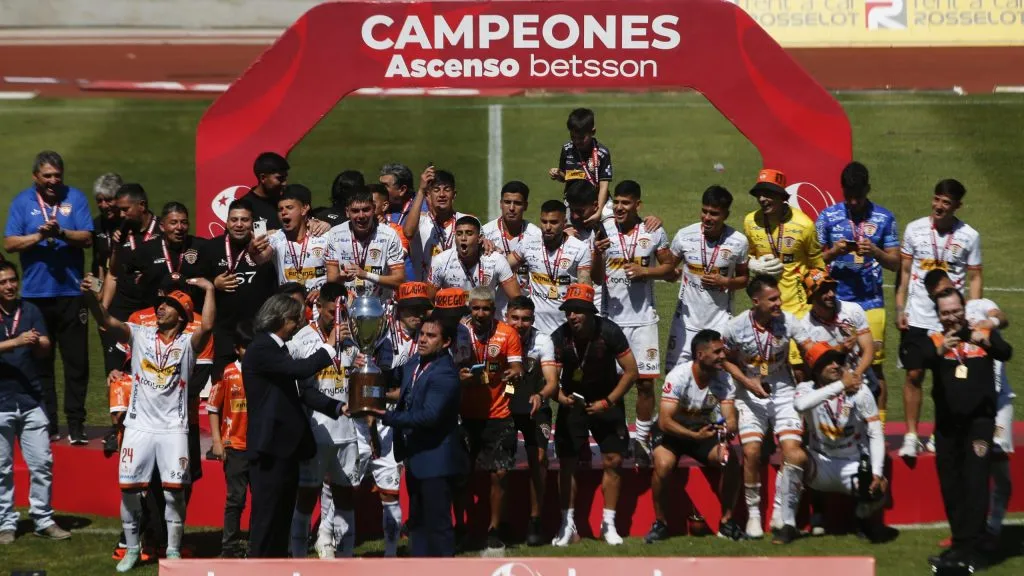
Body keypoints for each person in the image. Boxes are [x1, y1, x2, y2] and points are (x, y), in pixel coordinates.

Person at [81, 271, 215, 572]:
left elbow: (207, 325)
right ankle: (131, 549)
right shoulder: (139, 334)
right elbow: (105, 321)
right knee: (129, 490)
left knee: (173, 492)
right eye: (161, 303)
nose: (160, 308)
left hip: (173, 430)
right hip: (138, 427)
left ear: (180, 317)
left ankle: (173, 549)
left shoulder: (188, 344)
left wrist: (209, 291)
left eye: (168, 305)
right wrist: (90, 296)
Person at [241, 294, 349, 558]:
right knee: (267, 519)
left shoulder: (277, 349)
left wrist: (338, 407)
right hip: (270, 449)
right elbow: (301, 371)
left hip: (285, 448)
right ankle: (259, 569)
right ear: (282, 319)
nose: (299, 325)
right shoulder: (262, 347)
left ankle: (276, 566)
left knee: (281, 517)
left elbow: (300, 391)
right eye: (296, 320)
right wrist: (330, 345)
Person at [3, 150, 94, 444]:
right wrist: (40, 237)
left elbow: (88, 237)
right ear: (36, 177)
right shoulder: (22, 202)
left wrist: (62, 233)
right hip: (35, 296)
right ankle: (49, 423)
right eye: (47, 176)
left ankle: (77, 424)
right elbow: (10, 243)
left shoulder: (75, 198)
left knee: (76, 362)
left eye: (57, 175)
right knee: (41, 361)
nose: (53, 181)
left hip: (71, 293)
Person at [925, 269, 1014, 546]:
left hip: (995, 405)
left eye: (954, 309)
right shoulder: (936, 337)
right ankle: (965, 534)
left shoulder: (980, 312)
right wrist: (940, 352)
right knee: (958, 475)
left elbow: (1003, 331)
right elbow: (917, 360)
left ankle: (992, 527)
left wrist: (988, 329)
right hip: (953, 419)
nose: (950, 315)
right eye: (944, 310)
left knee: (988, 472)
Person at [896, 179, 982, 458]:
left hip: (948, 320)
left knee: (947, 379)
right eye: (937, 199)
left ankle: (939, 433)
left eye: (946, 202)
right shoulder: (914, 229)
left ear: (957, 206)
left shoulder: (969, 235)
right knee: (914, 373)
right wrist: (900, 308)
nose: (939, 206)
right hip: (918, 316)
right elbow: (905, 273)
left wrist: (971, 313)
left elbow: (975, 277)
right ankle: (911, 435)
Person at [721, 275, 810, 543]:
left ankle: (781, 510)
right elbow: (725, 360)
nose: (779, 303)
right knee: (751, 451)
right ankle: (753, 514)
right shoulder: (735, 327)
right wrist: (748, 383)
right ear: (755, 301)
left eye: (779, 297)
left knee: (793, 452)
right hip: (750, 395)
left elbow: (810, 348)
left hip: (783, 392)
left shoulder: (788, 321)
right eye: (773, 299)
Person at [371, 315, 469, 557]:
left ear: (446, 342)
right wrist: (368, 367)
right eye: (421, 334)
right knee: (418, 525)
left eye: (430, 336)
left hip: (436, 462)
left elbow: (429, 417)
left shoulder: (445, 374)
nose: (423, 340)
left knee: (438, 527)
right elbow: (394, 378)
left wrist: (387, 416)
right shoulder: (416, 362)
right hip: (415, 458)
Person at [591, 180, 673, 466]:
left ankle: (642, 437)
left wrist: (645, 271)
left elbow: (670, 269)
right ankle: (618, 433)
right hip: (610, 321)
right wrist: (598, 253)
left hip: (644, 321)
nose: (620, 208)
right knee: (611, 383)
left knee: (646, 384)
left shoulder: (654, 231)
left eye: (627, 203)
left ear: (638, 205)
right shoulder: (605, 229)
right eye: (617, 203)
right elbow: (596, 277)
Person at [549, 284, 638, 547]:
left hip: (606, 401)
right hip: (572, 403)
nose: (571, 317)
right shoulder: (559, 336)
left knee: (613, 459)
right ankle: (567, 523)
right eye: (568, 312)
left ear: (590, 312)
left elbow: (631, 371)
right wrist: (559, 397)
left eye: (577, 311)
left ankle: (608, 523)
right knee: (567, 462)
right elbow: (551, 376)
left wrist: (608, 402)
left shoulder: (609, 331)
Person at [815, 162, 900, 423]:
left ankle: (879, 428)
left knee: (873, 367)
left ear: (868, 189)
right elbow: (813, 260)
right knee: (829, 365)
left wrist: (876, 252)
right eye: (848, 196)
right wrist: (833, 252)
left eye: (858, 196)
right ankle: (830, 425)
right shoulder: (827, 217)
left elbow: (896, 263)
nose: (853, 202)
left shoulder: (885, 218)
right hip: (834, 303)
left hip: (871, 303)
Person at [644, 329, 746, 544]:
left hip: (702, 431)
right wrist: (693, 435)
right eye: (717, 352)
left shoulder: (724, 380)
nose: (722, 356)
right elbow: (664, 421)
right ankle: (660, 524)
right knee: (663, 465)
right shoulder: (679, 377)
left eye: (722, 351)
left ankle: (727, 522)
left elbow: (730, 418)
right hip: (671, 433)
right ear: (700, 355)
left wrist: (729, 427)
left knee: (730, 460)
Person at [0, 261, 71, 544]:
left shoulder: (29, 310)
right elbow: (15, 343)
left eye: (12, 280)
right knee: (1, 469)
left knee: (42, 463)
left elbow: (44, 348)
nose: (9, 286)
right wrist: (17, 342)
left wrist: (40, 343)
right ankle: (6, 523)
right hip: (1, 401)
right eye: (3, 281)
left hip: (30, 399)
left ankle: (43, 519)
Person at [288, 283, 361, 559]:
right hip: (316, 431)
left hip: (348, 432)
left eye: (343, 311)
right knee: (307, 495)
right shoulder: (302, 339)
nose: (338, 317)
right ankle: (297, 557)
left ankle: (346, 557)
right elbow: (302, 389)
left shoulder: (354, 335)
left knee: (344, 495)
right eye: (333, 312)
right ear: (319, 307)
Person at [793, 341, 888, 540]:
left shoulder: (860, 390)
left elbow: (875, 432)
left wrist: (877, 473)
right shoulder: (805, 388)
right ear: (816, 369)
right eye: (829, 362)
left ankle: (863, 517)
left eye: (839, 361)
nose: (836, 365)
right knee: (791, 461)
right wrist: (840, 385)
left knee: (880, 487)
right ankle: (795, 521)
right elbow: (801, 405)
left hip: (852, 462)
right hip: (821, 460)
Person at [453, 287, 523, 552]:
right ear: (469, 308)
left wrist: (513, 374)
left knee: (500, 474)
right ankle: (459, 526)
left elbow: (517, 365)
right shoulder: (459, 332)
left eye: (485, 309)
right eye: (475, 308)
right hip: (465, 414)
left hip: (498, 413)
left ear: (494, 310)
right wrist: (459, 378)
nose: (480, 313)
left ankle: (494, 529)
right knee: (460, 475)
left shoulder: (507, 333)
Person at [743, 168, 825, 382]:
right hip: (765, 309)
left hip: (798, 308)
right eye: (759, 194)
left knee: (800, 371)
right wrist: (753, 264)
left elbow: (818, 266)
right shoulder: (751, 222)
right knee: (765, 369)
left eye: (768, 193)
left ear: (782, 197)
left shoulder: (805, 226)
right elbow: (746, 256)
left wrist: (816, 296)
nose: (762, 199)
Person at [663, 185, 749, 372]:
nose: (707, 218)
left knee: (717, 376)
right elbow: (667, 267)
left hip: (719, 322)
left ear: (726, 215)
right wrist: (671, 274)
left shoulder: (738, 241)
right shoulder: (685, 235)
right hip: (685, 322)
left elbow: (744, 279)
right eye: (705, 211)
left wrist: (725, 282)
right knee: (673, 374)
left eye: (714, 214)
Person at [198, 198, 277, 381]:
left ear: (253, 223)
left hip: (258, 332)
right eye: (234, 220)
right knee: (222, 387)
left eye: (245, 220)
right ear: (226, 222)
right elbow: (194, 283)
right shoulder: (211, 248)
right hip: (223, 334)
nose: (239, 225)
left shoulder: (267, 248)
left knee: (259, 386)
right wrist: (213, 283)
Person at [505, 296, 559, 546]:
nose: (519, 323)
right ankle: (498, 522)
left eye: (525, 319)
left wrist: (541, 394)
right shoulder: (498, 337)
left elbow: (552, 381)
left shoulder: (542, 341)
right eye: (514, 318)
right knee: (499, 463)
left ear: (533, 320)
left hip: (536, 408)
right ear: (506, 317)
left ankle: (535, 520)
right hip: (504, 408)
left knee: (538, 458)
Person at [508, 200, 592, 334]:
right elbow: (503, 268)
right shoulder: (528, 243)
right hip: (535, 328)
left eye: (553, 222)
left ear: (564, 223)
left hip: (565, 328)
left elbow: (585, 290)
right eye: (544, 221)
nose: (547, 227)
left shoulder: (580, 249)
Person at [207, 321, 253, 558]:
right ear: (237, 349)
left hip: (259, 448)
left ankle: (256, 548)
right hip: (234, 446)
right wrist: (217, 441)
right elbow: (213, 407)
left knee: (262, 501)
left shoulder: (263, 371)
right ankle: (229, 547)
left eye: (252, 346)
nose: (249, 350)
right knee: (235, 500)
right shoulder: (228, 373)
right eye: (245, 346)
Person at [251, 185, 331, 307]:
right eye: (280, 209)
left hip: (319, 306)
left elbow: (337, 273)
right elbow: (261, 258)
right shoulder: (276, 238)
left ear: (304, 209)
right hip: (289, 309)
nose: (283, 212)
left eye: (289, 208)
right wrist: (253, 250)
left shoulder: (323, 236)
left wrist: (324, 292)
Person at [325, 188, 406, 302]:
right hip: (347, 306)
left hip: (380, 306)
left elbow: (399, 280)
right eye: (355, 211)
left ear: (373, 209)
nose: (361, 215)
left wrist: (366, 275)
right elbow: (331, 280)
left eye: (366, 209)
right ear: (347, 212)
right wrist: (341, 277)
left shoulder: (389, 235)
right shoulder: (335, 234)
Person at [429, 216, 520, 315]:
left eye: (469, 233)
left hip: (484, 319)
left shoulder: (496, 260)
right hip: (454, 322)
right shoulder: (441, 261)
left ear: (480, 238)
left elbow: (517, 299)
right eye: (459, 234)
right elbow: (428, 302)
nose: (463, 238)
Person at [482, 181, 542, 308]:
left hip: (524, 309)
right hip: (494, 309)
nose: (511, 208)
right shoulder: (485, 233)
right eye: (507, 202)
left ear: (525, 206)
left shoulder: (536, 235)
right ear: (500, 204)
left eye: (518, 203)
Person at [402, 167, 469, 281]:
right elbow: (408, 233)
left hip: (457, 295)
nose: (442, 194)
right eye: (436, 190)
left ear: (454, 194)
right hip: (425, 295)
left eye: (447, 190)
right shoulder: (420, 221)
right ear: (428, 195)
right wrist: (421, 191)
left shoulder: (467, 222)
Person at [548, 107, 613, 224]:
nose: (577, 141)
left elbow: (604, 184)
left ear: (593, 132)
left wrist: (598, 212)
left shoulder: (602, 153)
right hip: (573, 202)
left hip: (598, 200)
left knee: (611, 225)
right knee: (566, 230)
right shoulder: (567, 149)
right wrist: (557, 174)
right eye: (573, 137)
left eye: (582, 138)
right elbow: (565, 177)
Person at [241, 152, 290, 230]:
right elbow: (232, 239)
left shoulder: (290, 198)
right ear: (263, 178)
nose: (284, 183)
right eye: (280, 178)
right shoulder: (244, 207)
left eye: (285, 178)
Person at [91, 172, 123, 282]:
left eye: (109, 200)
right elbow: (97, 264)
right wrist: (95, 289)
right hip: (108, 289)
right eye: (99, 201)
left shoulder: (131, 224)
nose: (103, 206)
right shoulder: (97, 224)